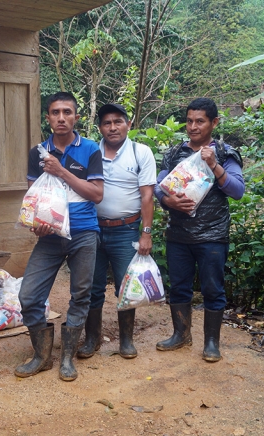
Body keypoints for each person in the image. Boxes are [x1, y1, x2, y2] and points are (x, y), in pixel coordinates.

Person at [15, 92, 104, 382]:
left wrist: (61, 171)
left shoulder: (90, 149)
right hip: (50, 236)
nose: (61, 117)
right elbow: (34, 197)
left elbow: (96, 194)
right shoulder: (37, 152)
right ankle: (41, 356)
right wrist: (36, 224)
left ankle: (66, 357)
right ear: (48, 117)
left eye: (67, 112)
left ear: (76, 117)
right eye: (55, 112)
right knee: (28, 296)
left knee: (80, 295)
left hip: (84, 233)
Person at [154, 98, 244, 362]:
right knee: (179, 286)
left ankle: (211, 343)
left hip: (213, 236)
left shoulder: (226, 153)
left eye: (200, 121)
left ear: (214, 123)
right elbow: (159, 185)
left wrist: (214, 164)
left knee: (213, 289)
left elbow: (237, 191)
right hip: (179, 235)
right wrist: (167, 200)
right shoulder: (174, 154)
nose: (193, 127)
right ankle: (181, 334)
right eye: (189, 121)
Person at [77, 103, 156, 360]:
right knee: (92, 285)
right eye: (107, 123)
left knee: (126, 287)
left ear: (128, 124)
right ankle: (92, 338)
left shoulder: (140, 152)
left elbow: (147, 196)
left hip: (126, 230)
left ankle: (126, 341)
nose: (113, 127)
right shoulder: (90, 152)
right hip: (92, 229)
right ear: (99, 127)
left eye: (118, 121)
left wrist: (146, 233)